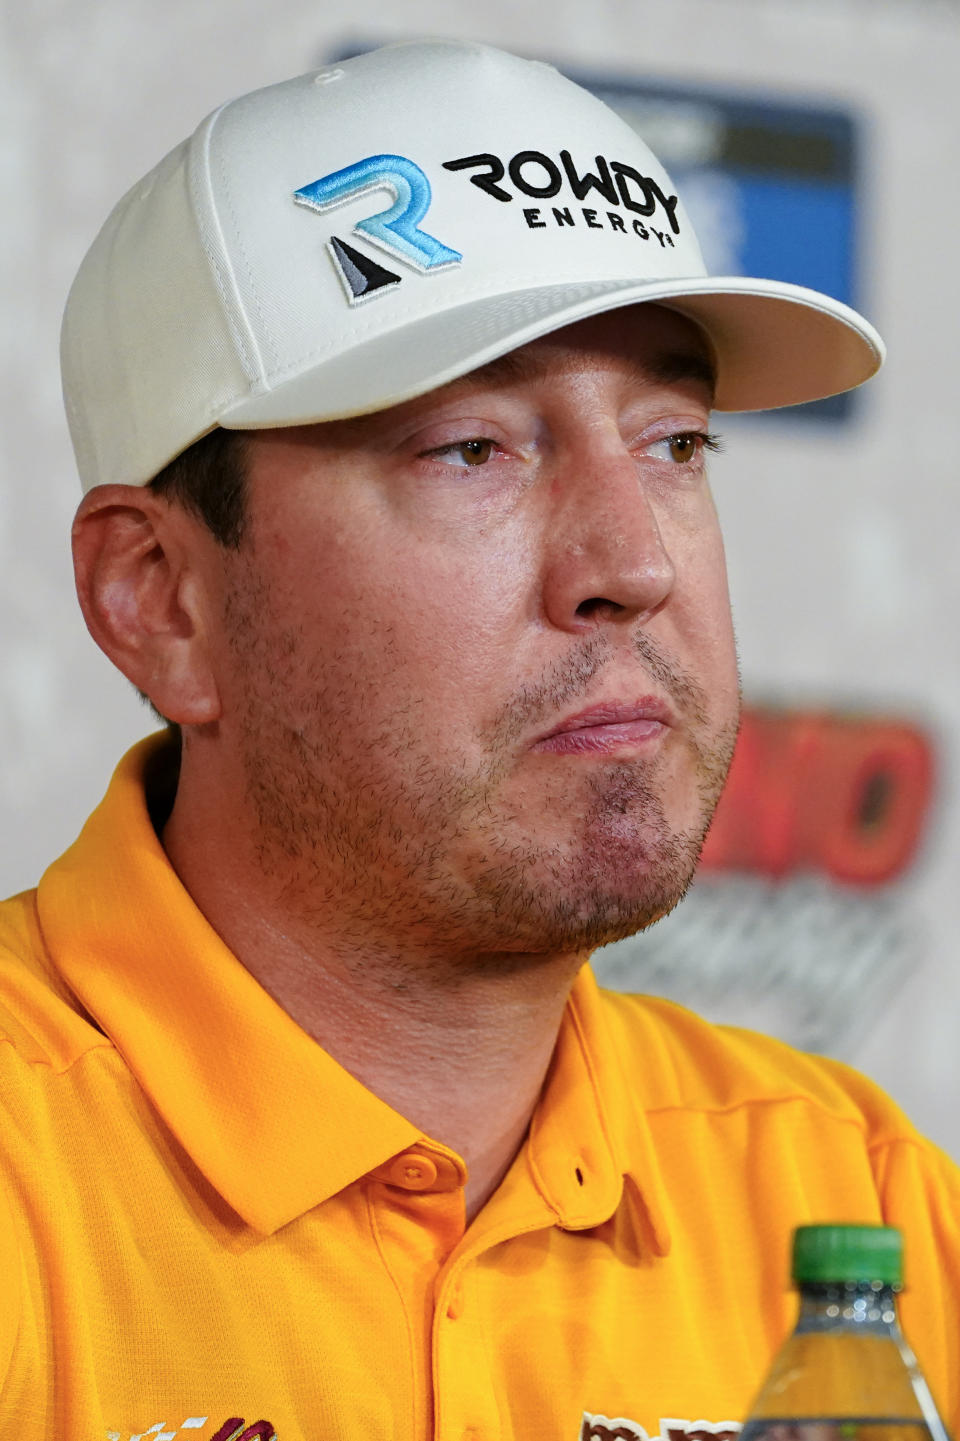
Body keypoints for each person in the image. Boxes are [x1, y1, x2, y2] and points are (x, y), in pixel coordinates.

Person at [1, 37, 957, 1441]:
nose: (633, 562)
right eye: (472, 448)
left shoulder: (865, 1209)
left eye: (674, 443)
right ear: (162, 603)